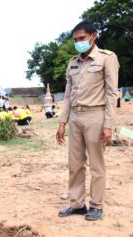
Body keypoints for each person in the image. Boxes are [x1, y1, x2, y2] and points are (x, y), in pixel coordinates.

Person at [56, 21, 119, 221]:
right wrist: (62, 122)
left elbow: (111, 94)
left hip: (96, 116)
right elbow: (67, 95)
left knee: (97, 164)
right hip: (75, 117)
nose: (78, 43)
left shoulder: (106, 58)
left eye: (82, 38)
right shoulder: (73, 63)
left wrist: (108, 125)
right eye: (75, 40)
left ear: (93, 36)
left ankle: (96, 205)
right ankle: (77, 204)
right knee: (75, 163)